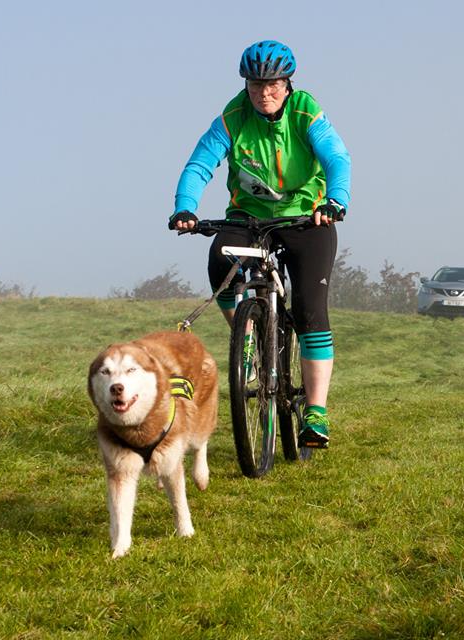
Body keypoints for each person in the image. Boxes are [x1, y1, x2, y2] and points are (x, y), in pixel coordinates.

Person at [169, 40, 351, 448]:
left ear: (287, 84)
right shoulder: (233, 117)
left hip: (307, 218)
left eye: (272, 86)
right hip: (248, 217)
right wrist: (185, 208)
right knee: (220, 262)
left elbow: (337, 157)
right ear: (246, 85)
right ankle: (246, 336)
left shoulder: (306, 111)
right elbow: (200, 164)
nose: (263, 94)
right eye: (255, 86)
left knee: (309, 310)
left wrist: (335, 200)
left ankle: (316, 412)